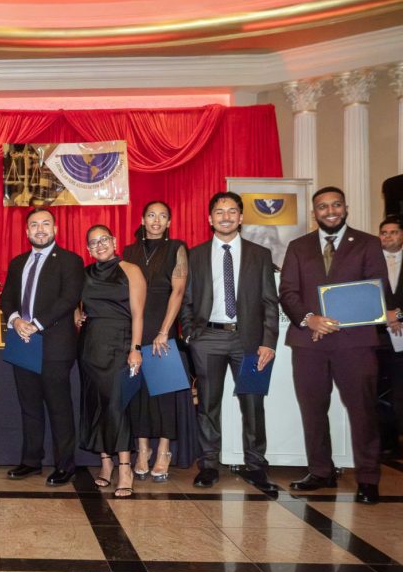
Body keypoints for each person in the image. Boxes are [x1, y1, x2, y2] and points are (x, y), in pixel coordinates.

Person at [279, 186, 399, 504]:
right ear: (314, 212)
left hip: (355, 343)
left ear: (345, 208)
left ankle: (369, 478)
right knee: (313, 409)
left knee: (362, 411)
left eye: (335, 205)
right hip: (308, 343)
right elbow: (287, 292)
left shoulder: (368, 244)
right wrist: (310, 319)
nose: (329, 211)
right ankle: (320, 471)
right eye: (322, 206)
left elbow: (375, 289)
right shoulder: (298, 246)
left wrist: (331, 322)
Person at [180, 192, 280, 491]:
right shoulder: (195, 255)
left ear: (241, 217)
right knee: (207, 405)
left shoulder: (259, 254)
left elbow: (270, 302)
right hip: (207, 338)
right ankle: (209, 465)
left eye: (232, 211)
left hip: (249, 341)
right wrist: (189, 334)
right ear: (210, 219)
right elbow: (186, 300)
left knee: (253, 403)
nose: (226, 216)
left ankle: (255, 466)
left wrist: (268, 341)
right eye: (219, 212)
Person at [0, 208, 84, 486]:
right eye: (34, 225)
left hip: (55, 345)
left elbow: (68, 299)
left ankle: (65, 464)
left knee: (59, 407)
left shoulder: (70, 261)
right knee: (29, 406)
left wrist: (35, 323)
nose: (39, 229)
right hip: (23, 342)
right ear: (26, 232)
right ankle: (31, 461)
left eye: (45, 224)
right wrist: (15, 320)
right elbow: (7, 299)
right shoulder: (17, 262)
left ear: (55, 229)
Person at [121, 201, 190, 481]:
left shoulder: (176, 249)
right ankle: (142, 450)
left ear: (169, 222)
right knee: (137, 394)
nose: (156, 220)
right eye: (151, 215)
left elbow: (179, 291)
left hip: (163, 331)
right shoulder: (129, 251)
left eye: (163, 216)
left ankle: (163, 452)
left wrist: (165, 330)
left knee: (163, 395)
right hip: (135, 330)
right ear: (142, 218)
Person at [78, 225, 145, 497]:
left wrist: (136, 348)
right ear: (88, 250)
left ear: (114, 241)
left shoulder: (131, 270)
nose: (99, 245)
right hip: (90, 346)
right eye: (93, 243)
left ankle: (125, 468)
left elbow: (138, 314)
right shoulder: (84, 274)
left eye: (103, 240)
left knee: (116, 406)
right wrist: (78, 318)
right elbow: (76, 307)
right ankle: (106, 465)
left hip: (120, 344)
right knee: (95, 406)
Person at [377, 216, 403, 456]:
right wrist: (384, 315)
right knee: (380, 393)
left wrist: (399, 314)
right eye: (384, 233)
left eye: (394, 232)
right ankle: (387, 442)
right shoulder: (372, 262)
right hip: (379, 337)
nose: (388, 237)